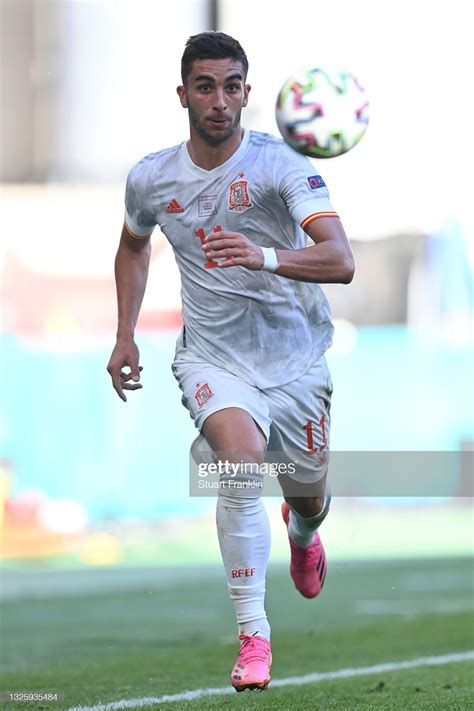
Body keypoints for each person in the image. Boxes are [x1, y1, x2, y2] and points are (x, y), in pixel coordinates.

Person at [107, 31, 354, 693]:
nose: (220, 101)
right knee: (239, 468)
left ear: (248, 91)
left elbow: (341, 259)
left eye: (233, 86)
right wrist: (126, 332)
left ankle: (304, 530)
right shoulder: (153, 176)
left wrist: (263, 254)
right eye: (207, 86)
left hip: (297, 358)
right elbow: (133, 246)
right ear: (183, 94)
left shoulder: (283, 166)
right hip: (215, 357)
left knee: (309, 492)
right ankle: (253, 637)